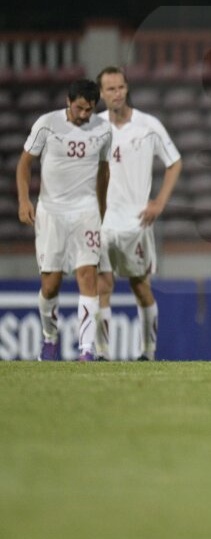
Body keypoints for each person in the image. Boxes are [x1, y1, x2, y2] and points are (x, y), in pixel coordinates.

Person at [16, 79, 112, 362]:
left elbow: (103, 173)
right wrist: (24, 200)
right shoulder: (47, 124)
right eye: (80, 108)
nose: (84, 115)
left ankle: (86, 350)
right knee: (51, 284)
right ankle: (49, 337)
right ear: (68, 101)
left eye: (90, 110)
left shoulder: (103, 130)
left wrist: (101, 210)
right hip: (51, 212)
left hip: (85, 211)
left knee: (87, 275)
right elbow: (24, 164)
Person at [94, 67, 183, 362]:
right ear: (102, 94)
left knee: (140, 287)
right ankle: (102, 353)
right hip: (103, 223)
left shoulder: (148, 125)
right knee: (102, 285)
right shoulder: (95, 126)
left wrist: (159, 201)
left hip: (137, 222)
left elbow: (175, 162)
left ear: (127, 89)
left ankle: (148, 351)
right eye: (110, 89)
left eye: (120, 87)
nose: (117, 93)